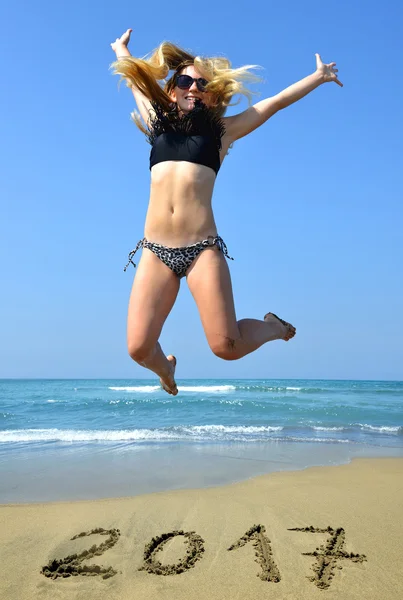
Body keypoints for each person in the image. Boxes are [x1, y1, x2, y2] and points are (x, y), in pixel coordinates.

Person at [110, 29, 342, 396]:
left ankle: (273, 327)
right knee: (138, 348)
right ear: (172, 89)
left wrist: (318, 77)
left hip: (202, 250)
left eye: (202, 84)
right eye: (185, 80)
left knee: (226, 348)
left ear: (211, 94)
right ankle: (166, 371)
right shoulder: (157, 123)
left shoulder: (222, 133)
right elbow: (135, 82)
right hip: (156, 252)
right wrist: (122, 50)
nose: (193, 87)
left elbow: (275, 103)